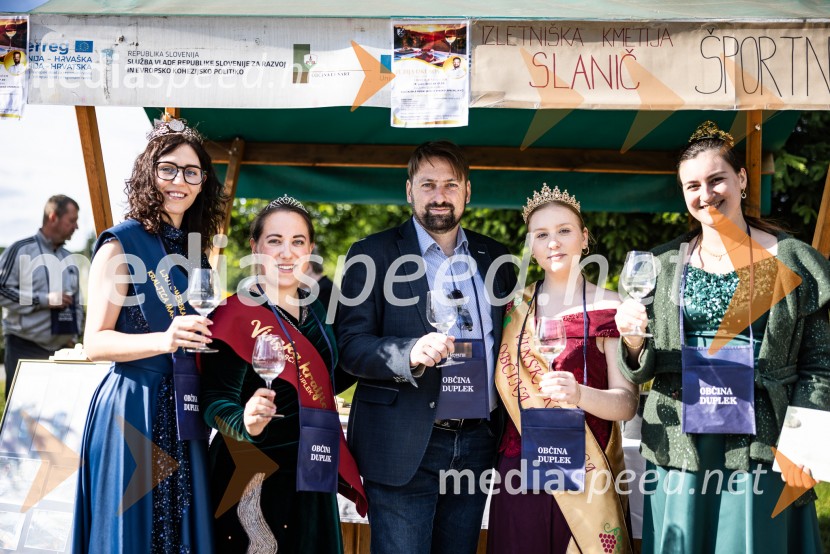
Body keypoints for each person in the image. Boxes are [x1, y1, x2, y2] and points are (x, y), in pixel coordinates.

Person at [614, 121, 829, 553]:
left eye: (717, 180)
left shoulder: (793, 259)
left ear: (742, 180)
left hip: (765, 440)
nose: (706, 194)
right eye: (692, 185)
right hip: (682, 445)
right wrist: (634, 342)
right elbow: (641, 365)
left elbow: (821, 363)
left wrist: (804, 443)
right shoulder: (659, 265)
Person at [335, 140, 517, 554]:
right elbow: (350, 345)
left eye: (451, 185)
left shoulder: (497, 258)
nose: (439, 196)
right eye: (428, 184)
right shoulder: (372, 254)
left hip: (477, 442)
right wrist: (409, 353)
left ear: (467, 191)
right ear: (409, 190)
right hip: (403, 444)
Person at [72, 118, 227, 552]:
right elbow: (95, 343)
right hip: (133, 408)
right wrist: (165, 340)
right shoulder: (119, 245)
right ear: (148, 173)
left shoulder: (195, 251)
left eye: (192, 172)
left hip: (183, 408)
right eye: (168, 169)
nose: (180, 181)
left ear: (202, 183)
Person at [200, 196, 367, 552]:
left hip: (310, 466)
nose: (286, 253)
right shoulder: (232, 315)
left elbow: (328, 378)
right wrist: (244, 420)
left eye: (298, 242)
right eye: (274, 241)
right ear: (255, 247)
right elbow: (214, 401)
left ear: (310, 250)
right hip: (252, 469)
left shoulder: (318, 309)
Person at [489, 184, 638, 554]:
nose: (553, 242)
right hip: (521, 470)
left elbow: (626, 404)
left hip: (587, 472)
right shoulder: (512, 309)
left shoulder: (613, 307)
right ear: (531, 245)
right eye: (542, 235)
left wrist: (579, 394)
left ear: (584, 238)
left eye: (564, 231)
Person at [0, 194, 82, 399]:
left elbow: (77, 303)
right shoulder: (20, 250)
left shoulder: (70, 259)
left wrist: (75, 335)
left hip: (63, 353)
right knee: (20, 422)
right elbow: (1, 291)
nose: (77, 227)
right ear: (53, 217)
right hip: (24, 349)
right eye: (72, 220)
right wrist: (44, 300)